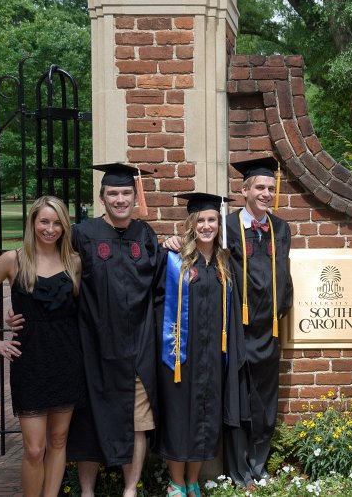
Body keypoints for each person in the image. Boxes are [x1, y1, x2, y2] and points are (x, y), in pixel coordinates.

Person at [9, 164, 160, 497]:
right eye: (113, 193)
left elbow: (162, 286)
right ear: (102, 197)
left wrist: (177, 244)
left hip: (137, 348)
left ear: (135, 197)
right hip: (91, 347)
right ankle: (87, 491)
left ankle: (130, 490)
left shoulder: (146, 236)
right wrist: (25, 308)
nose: (120, 199)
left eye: (125, 193)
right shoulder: (82, 235)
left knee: (136, 422)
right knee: (89, 420)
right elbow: (53, 273)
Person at [0, 196, 84, 497]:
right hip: (30, 361)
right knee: (35, 448)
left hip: (67, 360)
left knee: (58, 441)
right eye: (44, 221)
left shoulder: (74, 262)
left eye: (57, 222)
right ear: (33, 222)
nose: (50, 228)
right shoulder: (13, 260)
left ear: (65, 226)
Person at [154, 193, 243, 497]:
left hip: (212, 358)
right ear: (191, 225)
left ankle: (193, 481)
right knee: (179, 418)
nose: (207, 226)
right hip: (179, 356)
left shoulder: (222, 263)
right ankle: (176, 482)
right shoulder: (174, 260)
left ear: (219, 224)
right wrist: (163, 243)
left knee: (205, 417)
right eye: (201, 220)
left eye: (212, 220)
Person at [223, 156, 293, 487]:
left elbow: (283, 274)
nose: (265, 193)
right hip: (237, 330)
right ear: (245, 190)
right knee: (237, 399)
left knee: (265, 399)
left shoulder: (281, 228)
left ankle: (259, 465)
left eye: (270, 187)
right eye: (259, 187)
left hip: (269, 329)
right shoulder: (226, 227)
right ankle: (238, 471)